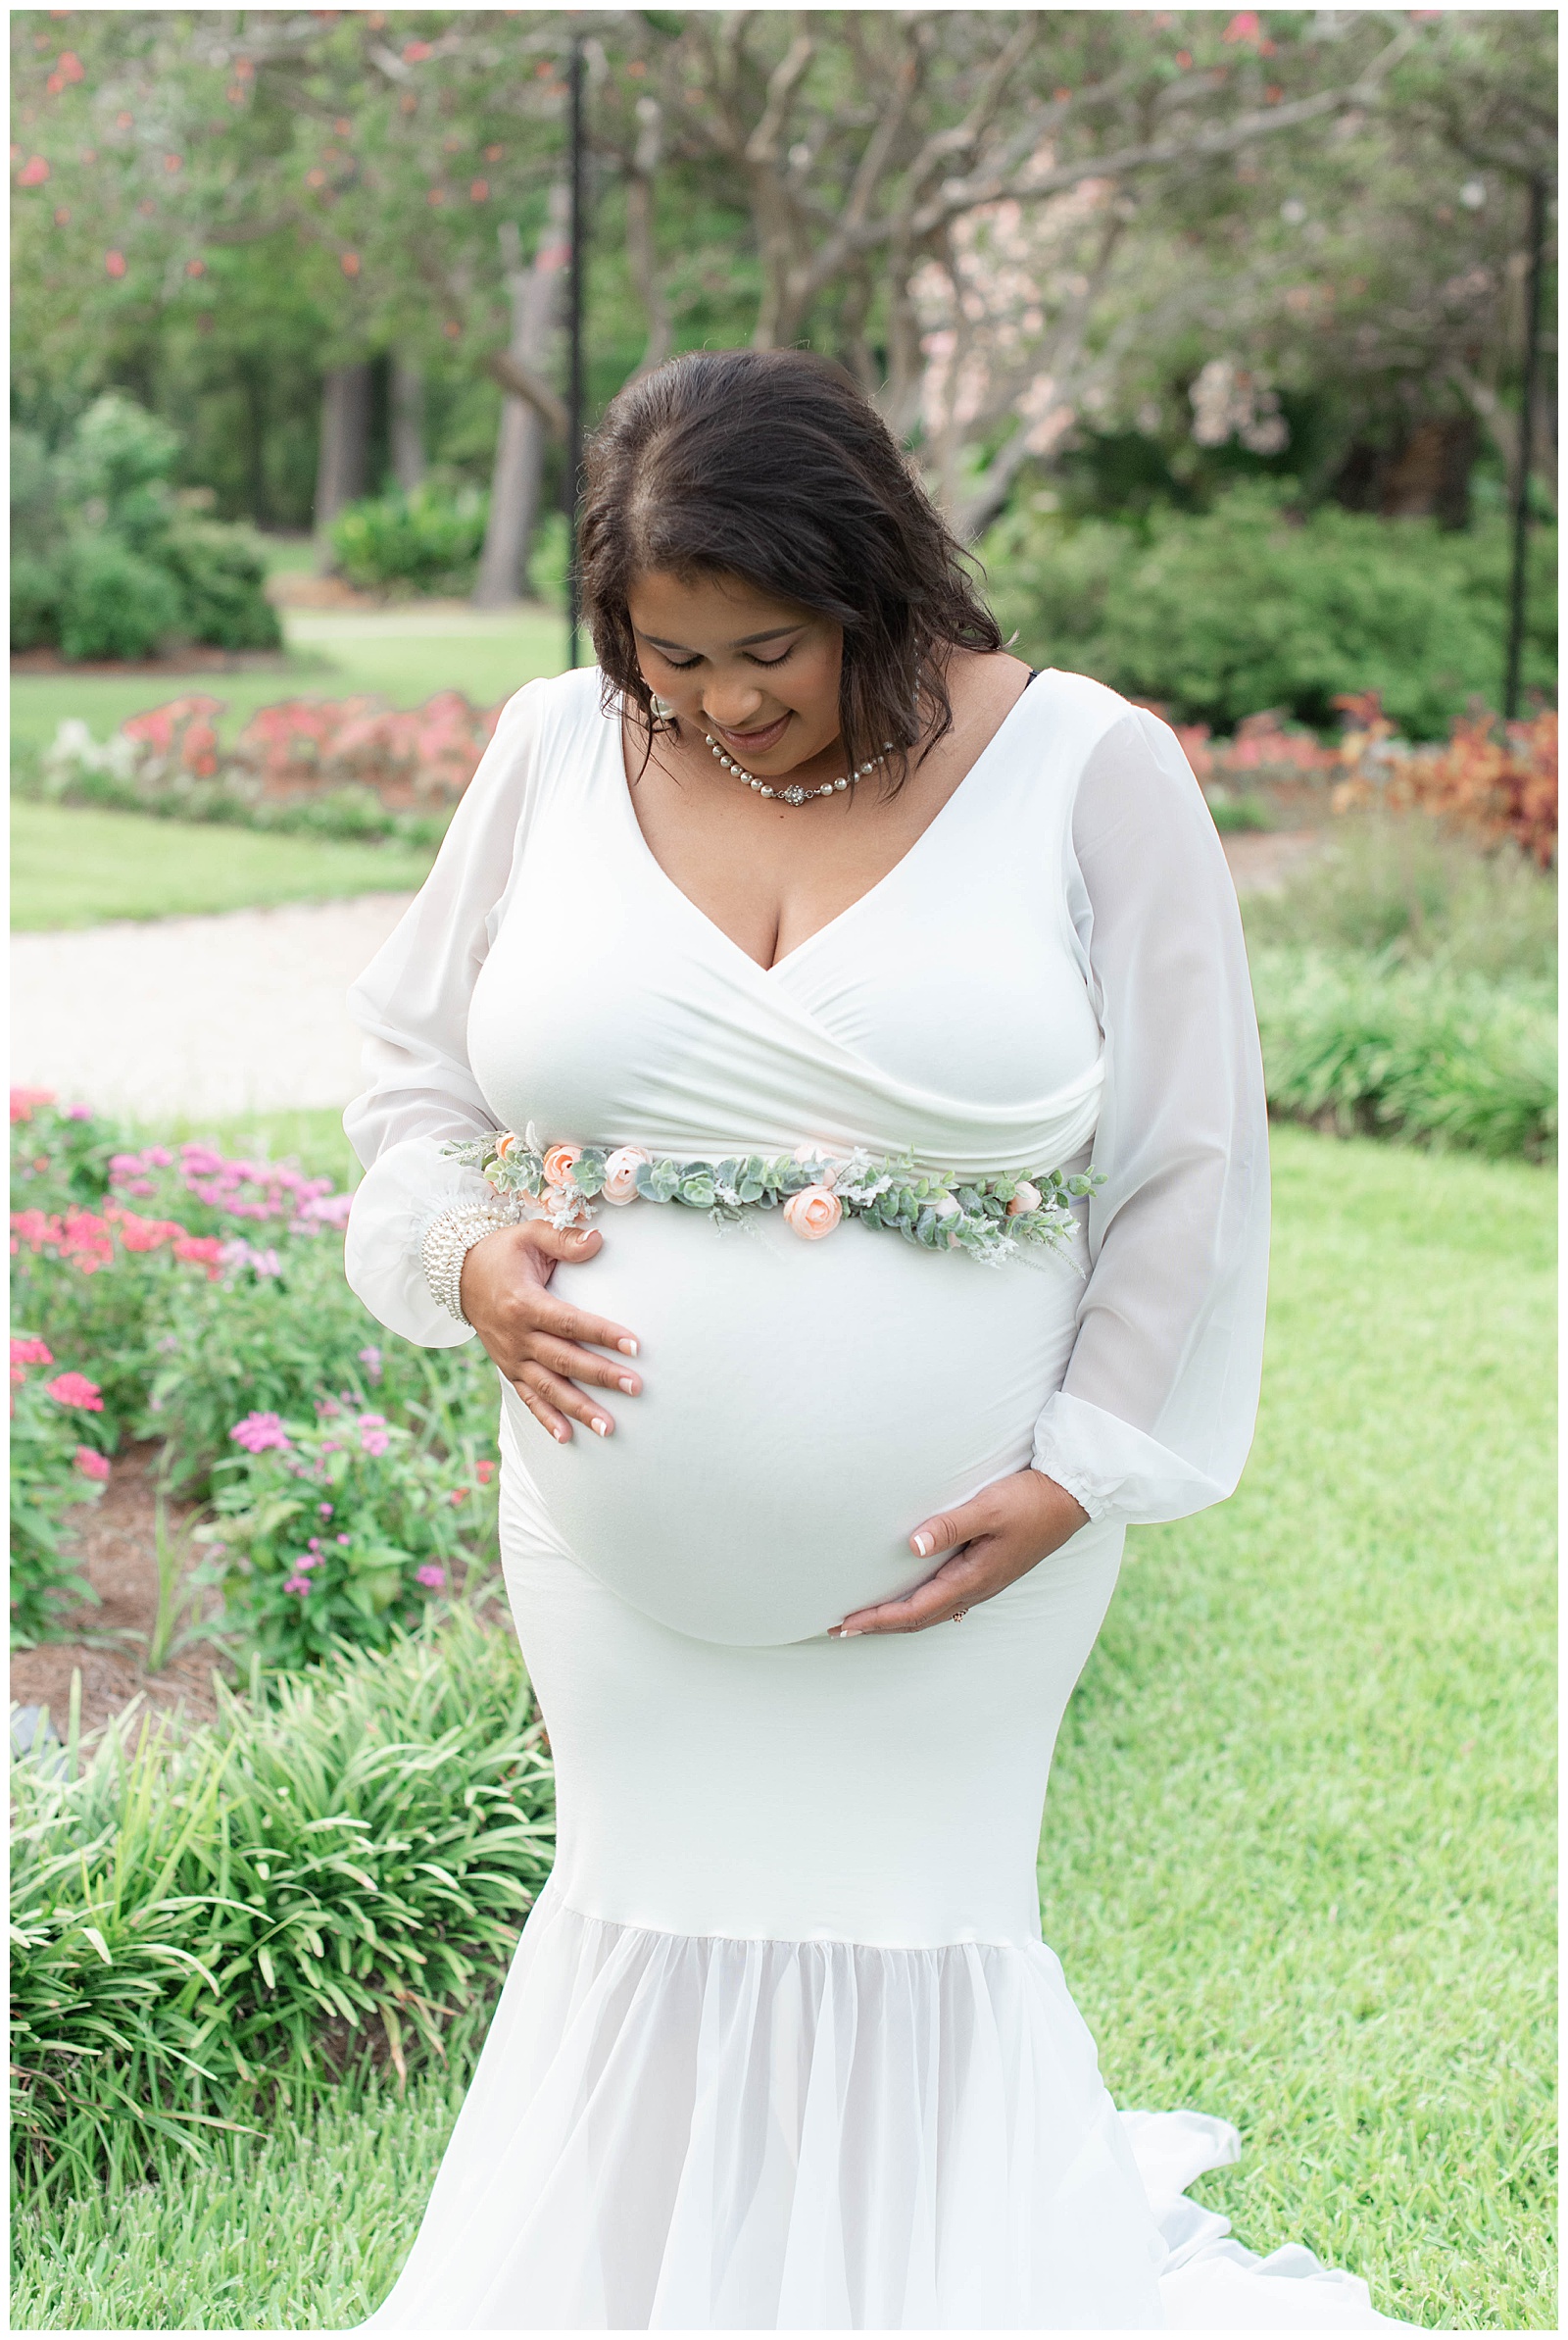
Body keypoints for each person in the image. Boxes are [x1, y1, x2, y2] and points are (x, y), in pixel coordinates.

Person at [344, 349, 1406, 2330]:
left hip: (957, 1562)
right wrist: (465, 1259)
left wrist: (1082, 1466)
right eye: (669, 655)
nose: (722, 699)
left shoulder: (1089, 765)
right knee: (635, 1917)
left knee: (918, 1930)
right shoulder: (552, 750)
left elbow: (1182, 1160)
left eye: (770, 643)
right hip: (606, 1561)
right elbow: (409, 1072)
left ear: (879, 582)